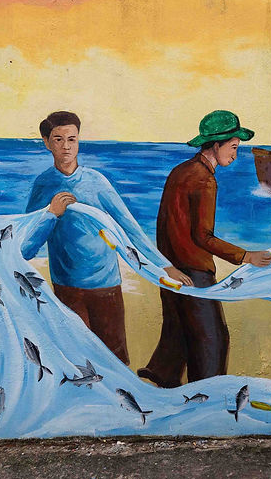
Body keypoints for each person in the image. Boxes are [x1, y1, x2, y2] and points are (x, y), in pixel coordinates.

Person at [22, 111, 192, 365]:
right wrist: (51, 215)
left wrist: (164, 266)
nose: (66, 146)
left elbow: (130, 228)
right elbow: (28, 244)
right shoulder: (43, 185)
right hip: (66, 286)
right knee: (78, 361)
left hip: (106, 284)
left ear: (79, 140)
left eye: (72, 139)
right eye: (58, 139)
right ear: (47, 142)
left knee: (115, 360)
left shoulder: (97, 182)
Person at [138, 110, 271, 388]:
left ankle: (165, 384)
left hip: (172, 269)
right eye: (233, 147)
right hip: (194, 271)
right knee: (212, 340)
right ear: (216, 145)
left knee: (178, 334)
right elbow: (203, 237)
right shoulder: (204, 179)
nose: (235, 155)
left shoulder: (180, 171)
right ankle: (207, 398)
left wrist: (166, 265)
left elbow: (163, 225)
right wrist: (246, 256)